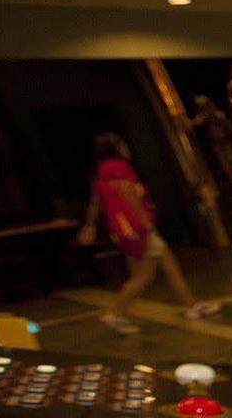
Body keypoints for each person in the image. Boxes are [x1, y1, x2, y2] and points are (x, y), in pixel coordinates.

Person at [76, 134, 220, 334]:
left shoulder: (101, 172)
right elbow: (130, 195)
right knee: (143, 276)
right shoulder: (118, 167)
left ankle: (191, 304)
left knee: (166, 266)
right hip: (138, 229)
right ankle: (115, 313)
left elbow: (95, 203)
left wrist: (90, 226)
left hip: (123, 230)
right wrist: (145, 223)